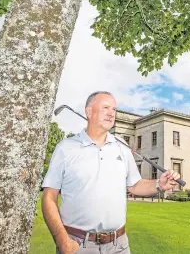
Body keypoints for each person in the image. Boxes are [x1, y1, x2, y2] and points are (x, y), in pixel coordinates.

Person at [42, 91, 181, 254]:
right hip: (78, 245)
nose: (111, 113)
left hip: (119, 245)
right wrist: (62, 240)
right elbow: (49, 198)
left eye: (114, 109)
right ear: (88, 112)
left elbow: (135, 186)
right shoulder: (65, 148)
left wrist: (159, 184)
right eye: (105, 107)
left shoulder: (122, 145)